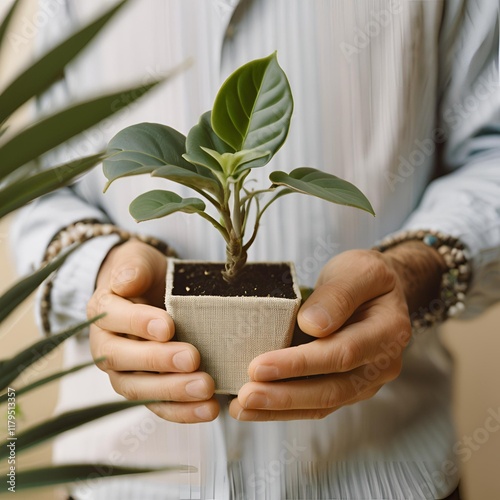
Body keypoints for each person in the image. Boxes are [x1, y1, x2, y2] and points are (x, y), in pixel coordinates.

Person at [11, 0, 500, 498]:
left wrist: (415, 271)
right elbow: (39, 186)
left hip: (380, 474)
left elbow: (494, 153)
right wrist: (105, 272)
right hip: (119, 478)